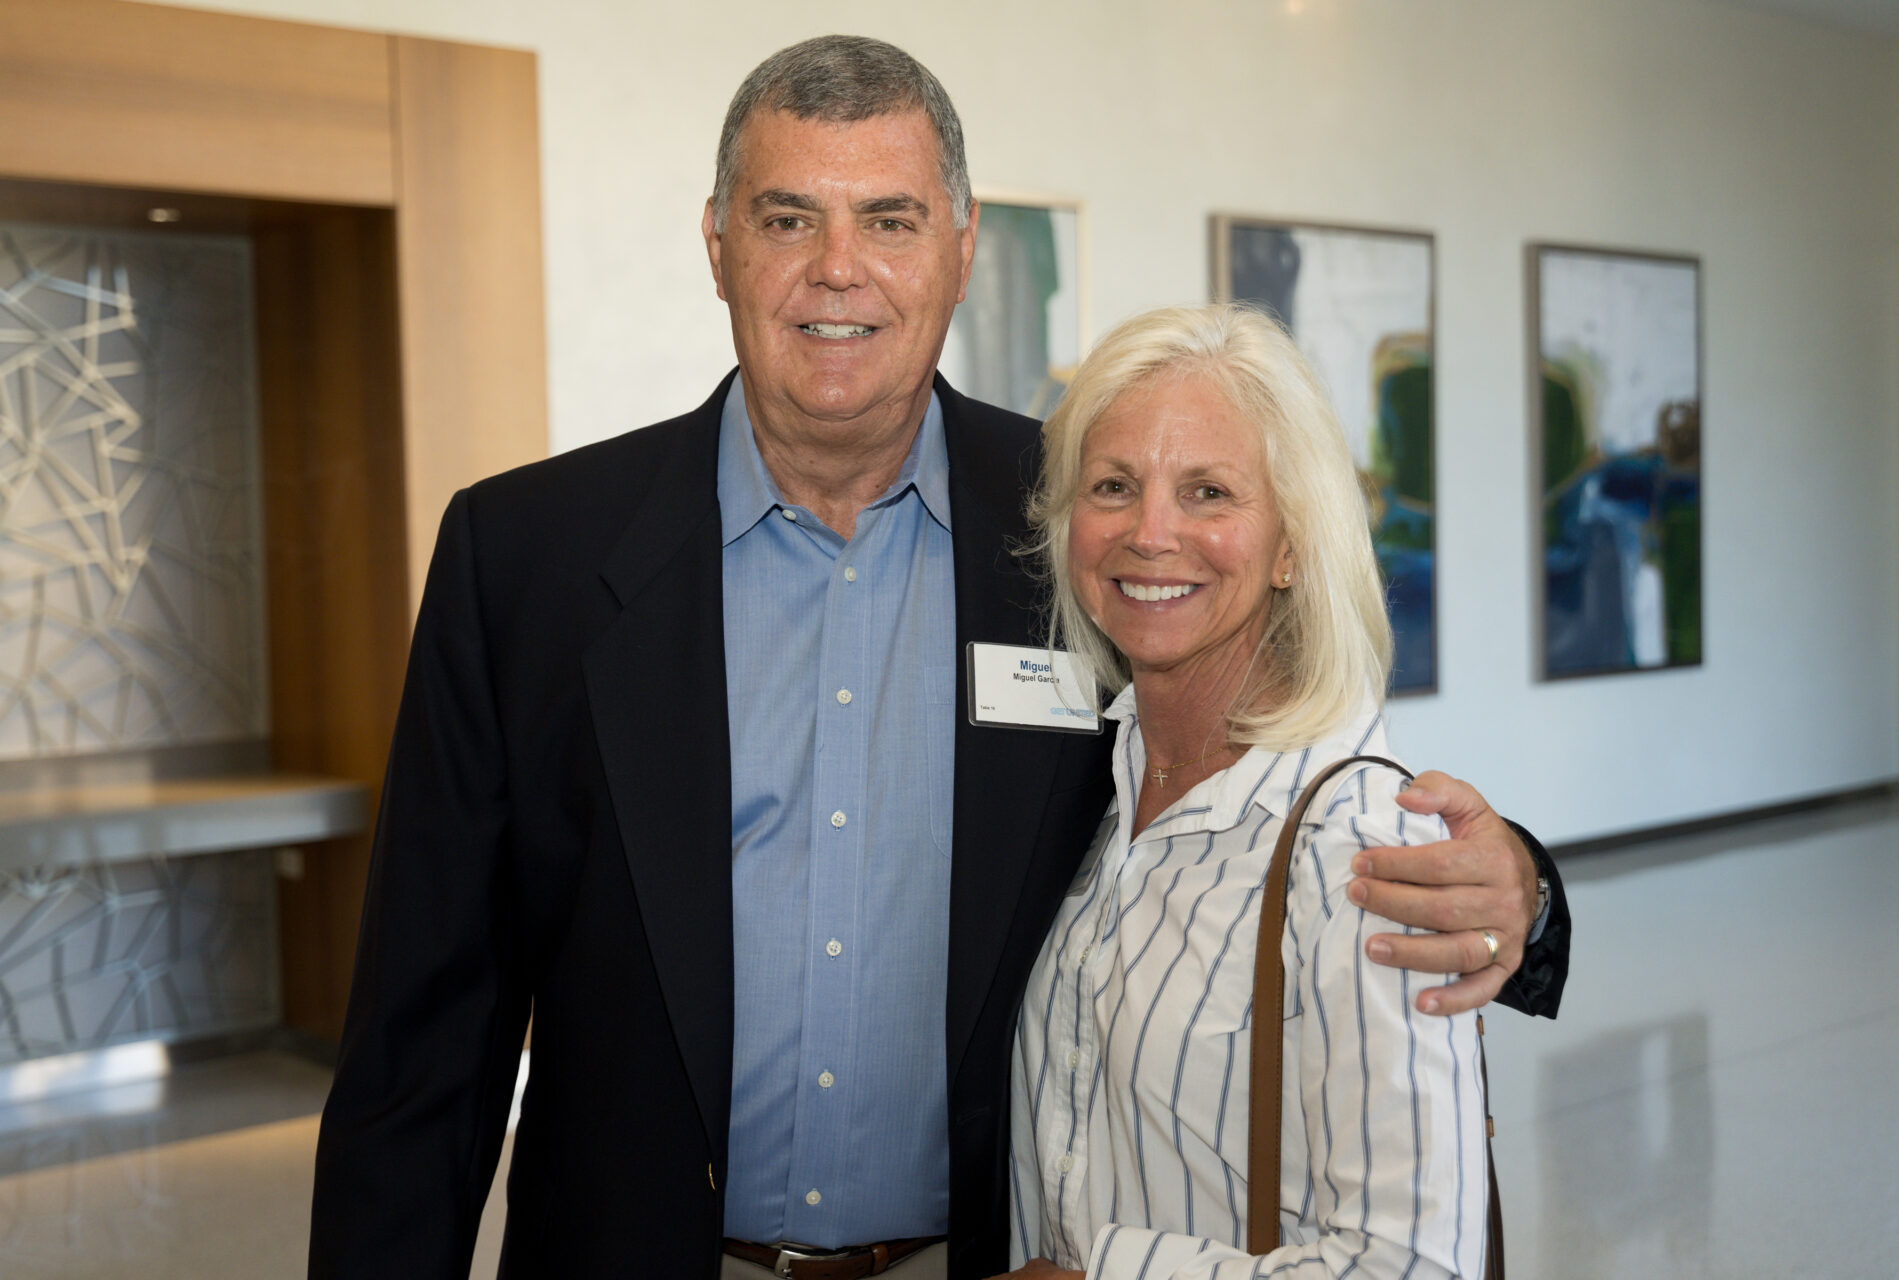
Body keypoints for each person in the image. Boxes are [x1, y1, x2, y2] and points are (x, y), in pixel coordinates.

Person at [308, 36, 1567, 1280]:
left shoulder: (1085, 529)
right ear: (717, 244)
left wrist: (1520, 883)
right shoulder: (527, 556)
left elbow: (1269, 746)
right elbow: (426, 1037)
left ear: (962, 248)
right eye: (788, 217)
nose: (838, 270)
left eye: (892, 220)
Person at [1002, 304, 1490, 1279]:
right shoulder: (1107, 790)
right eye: (1113, 485)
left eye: (1209, 491)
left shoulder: (1359, 854)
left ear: (1291, 543)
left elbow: (1415, 1264)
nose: (1150, 532)